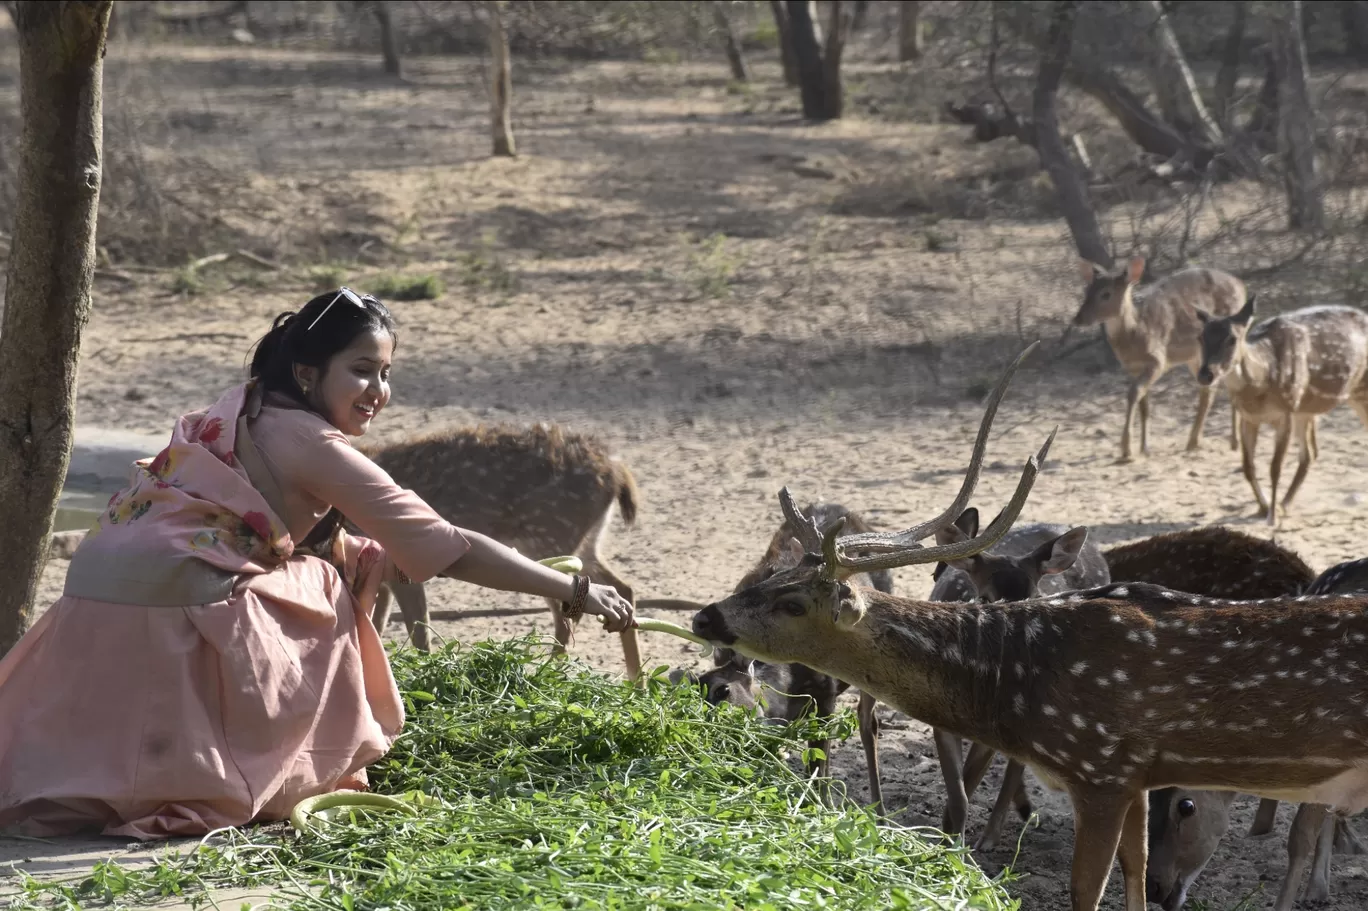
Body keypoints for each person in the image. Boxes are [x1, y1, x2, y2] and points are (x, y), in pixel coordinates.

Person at [0, 287, 636, 840]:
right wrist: (573, 588)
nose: (378, 392)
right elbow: (448, 544)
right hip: (178, 601)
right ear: (308, 373)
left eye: (386, 374)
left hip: (91, 594)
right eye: (361, 370)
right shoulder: (313, 443)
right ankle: (294, 758)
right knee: (334, 577)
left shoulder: (241, 406)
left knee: (342, 553)